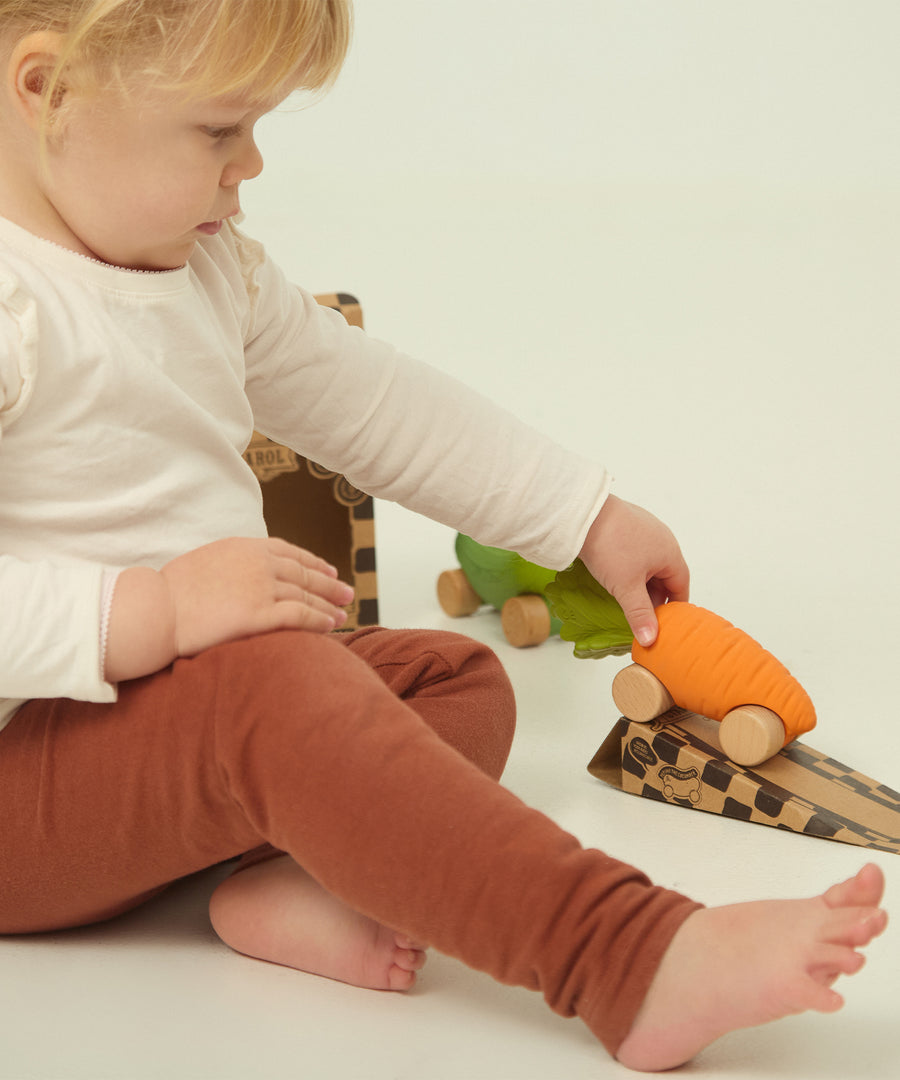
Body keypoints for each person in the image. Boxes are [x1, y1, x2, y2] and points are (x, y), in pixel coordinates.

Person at [0, 1, 886, 1072]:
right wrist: (153, 612)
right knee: (282, 695)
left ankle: (289, 881)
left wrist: (579, 515)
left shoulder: (208, 265)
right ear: (47, 92)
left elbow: (370, 402)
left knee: (454, 679)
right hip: (27, 786)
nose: (253, 166)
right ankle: (627, 957)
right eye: (218, 131)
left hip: (192, 732)